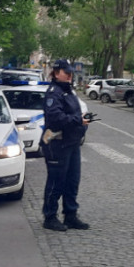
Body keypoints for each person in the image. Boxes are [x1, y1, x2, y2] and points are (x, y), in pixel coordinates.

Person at [41, 59, 92, 231]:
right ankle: (50, 216)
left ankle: (70, 215)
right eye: (66, 72)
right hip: (57, 144)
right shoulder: (54, 93)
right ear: (56, 73)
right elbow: (55, 118)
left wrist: (83, 120)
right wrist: (78, 120)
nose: (70, 75)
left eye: (71, 72)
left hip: (71, 142)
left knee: (72, 181)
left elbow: (75, 112)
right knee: (56, 181)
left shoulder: (68, 90)